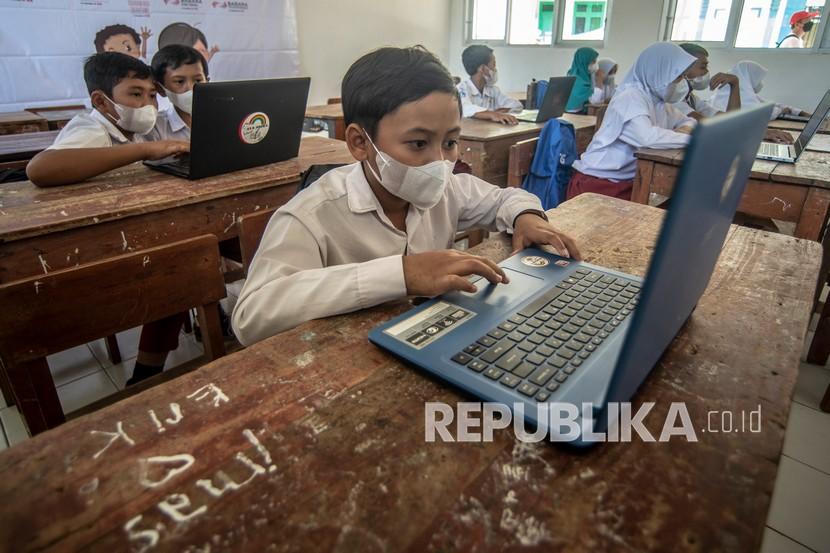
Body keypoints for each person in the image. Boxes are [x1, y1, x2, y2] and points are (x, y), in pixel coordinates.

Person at [231, 46, 581, 345]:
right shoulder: (312, 215)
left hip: (425, 343)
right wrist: (400, 274)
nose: (441, 162)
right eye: (418, 143)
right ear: (359, 143)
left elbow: (505, 198)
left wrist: (527, 217)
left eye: (450, 142)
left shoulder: (447, 189)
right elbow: (252, 315)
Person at [26, 52, 189, 187]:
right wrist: (146, 150)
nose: (148, 104)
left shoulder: (131, 130)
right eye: (136, 94)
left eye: (152, 95)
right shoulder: (92, 130)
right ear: (101, 101)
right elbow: (39, 169)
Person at [566, 42, 698, 201]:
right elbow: (647, 138)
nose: (681, 83)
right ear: (659, 72)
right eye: (677, 77)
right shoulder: (630, 96)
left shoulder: (657, 101)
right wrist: (691, 138)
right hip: (597, 184)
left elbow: (688, 121)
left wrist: (683, 130)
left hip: (624, 182)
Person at [677, 45, 793, 143]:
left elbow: (729, 121)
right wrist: (760, 133)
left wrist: (734, 84)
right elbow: (715, 126)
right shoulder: (674, 100)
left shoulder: (692, 99)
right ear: (683, 67)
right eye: (703, 67)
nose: (707, 72)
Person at [710, 61, 811, 120]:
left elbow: (770, 104)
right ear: (749, 76)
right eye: (758, 78)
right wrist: (781, 111)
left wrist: (800, 112)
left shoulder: (745, 92)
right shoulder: (731, 94)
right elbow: (763, 115)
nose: (760, 83)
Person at [149, 45, 209, 141]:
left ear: (207, 82)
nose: (191, 88)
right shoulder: (155, 128)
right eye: (180, 81)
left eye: (198, 80)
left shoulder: (224, 120)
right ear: (161, 89)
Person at [457, 45, 522, 124]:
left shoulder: (493, 90)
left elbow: (516, 105)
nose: (495, 69)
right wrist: (492, 114)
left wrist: (497, 113)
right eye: (493, 65)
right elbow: (465, 108)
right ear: (482, 68)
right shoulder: (461, 89)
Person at [565, 47, 601, 113]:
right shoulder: (577, 82)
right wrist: (599, 81)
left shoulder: (586, 77)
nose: (595, 65)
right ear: (584, 62)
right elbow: (595, 101)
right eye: (593, 62)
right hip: (574, 117)